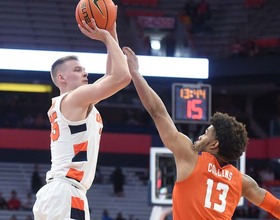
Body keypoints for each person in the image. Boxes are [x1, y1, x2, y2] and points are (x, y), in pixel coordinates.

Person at [122, 46, 280, 219]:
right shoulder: (243, 182)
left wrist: (135, 73)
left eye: (206, 133)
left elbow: (158, 112)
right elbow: (275, 206)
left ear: (214, 144)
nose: (200, 136)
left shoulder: (190, 156)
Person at [32, 11, 131, 220]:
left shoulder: (74, 101)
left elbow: (110, 76)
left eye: (84, 69)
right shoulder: (75, 98)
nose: (85, 73)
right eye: (77, 70)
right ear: (61, 78)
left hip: (61, 192)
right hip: (65, 192)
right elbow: (122, 76)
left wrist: (111, 30)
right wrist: (105, 37)